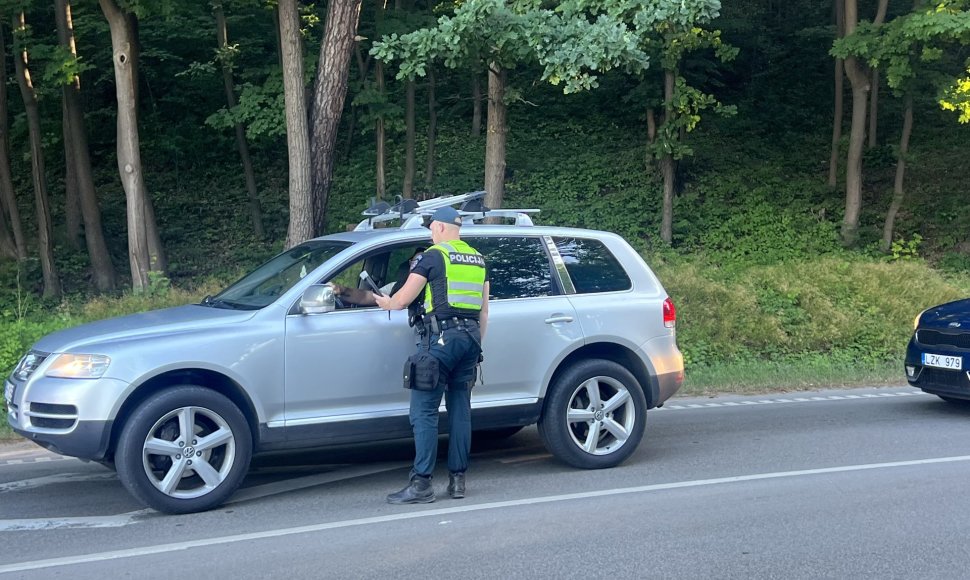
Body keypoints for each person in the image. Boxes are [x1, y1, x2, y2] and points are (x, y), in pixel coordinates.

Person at [375, 206, 489, 504]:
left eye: (430, 229)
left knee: (423, 412)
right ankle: (458, 482)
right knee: (460, 410)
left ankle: (422, 484)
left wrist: (385, 302)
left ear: (439, 228)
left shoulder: (433, 256)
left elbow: (402, 299)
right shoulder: (478, 260)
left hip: (438, 343)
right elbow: (484, 310)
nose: (430, 233)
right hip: (470, 340)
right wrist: (477, 347)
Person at [329, 247, 425, 308]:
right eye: (415, 262)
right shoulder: (396, 286)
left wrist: (390, 304)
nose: (418, 267)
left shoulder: (434, 289)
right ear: (409, 264)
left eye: (423, 263)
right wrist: (342, 290)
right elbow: (367, 297)